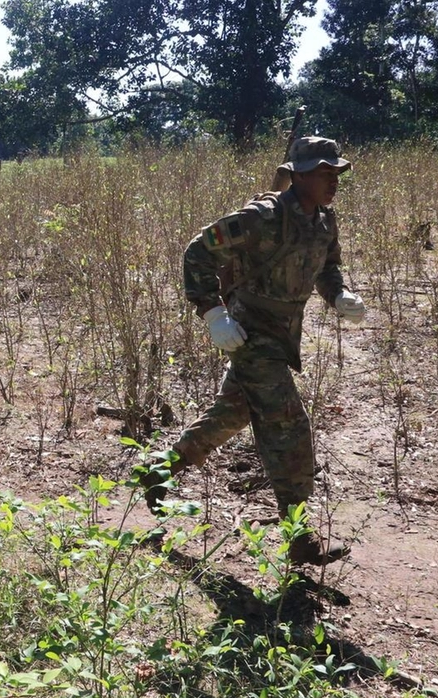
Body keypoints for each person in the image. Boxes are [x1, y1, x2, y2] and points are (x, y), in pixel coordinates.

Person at [144, 136, 367, 566]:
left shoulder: (324, 221)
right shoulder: (262, 217)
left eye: (335, 173)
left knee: (232, 413)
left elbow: (328, 267)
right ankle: (300, 539)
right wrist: (213, 313)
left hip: (283, 333)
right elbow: (198, 251)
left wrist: (339, 295)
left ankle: (158, 471)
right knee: (289, 426)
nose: (332, 182)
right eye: (323, 173)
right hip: (249, 331)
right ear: (299, 175)